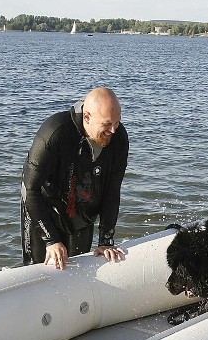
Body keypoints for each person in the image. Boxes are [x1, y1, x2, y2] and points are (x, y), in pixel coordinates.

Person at [20, 87, 129, 269]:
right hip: (45, 213)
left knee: (76, 271)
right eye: (107, 124)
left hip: (81, 215)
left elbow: (112, 190)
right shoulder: (55, 132)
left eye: (117, 123)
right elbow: (29, 189)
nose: (113, 131)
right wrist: (51, 240)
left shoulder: (119, 139)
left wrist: (106, 240)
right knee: (42, 270)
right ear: (87, 117)